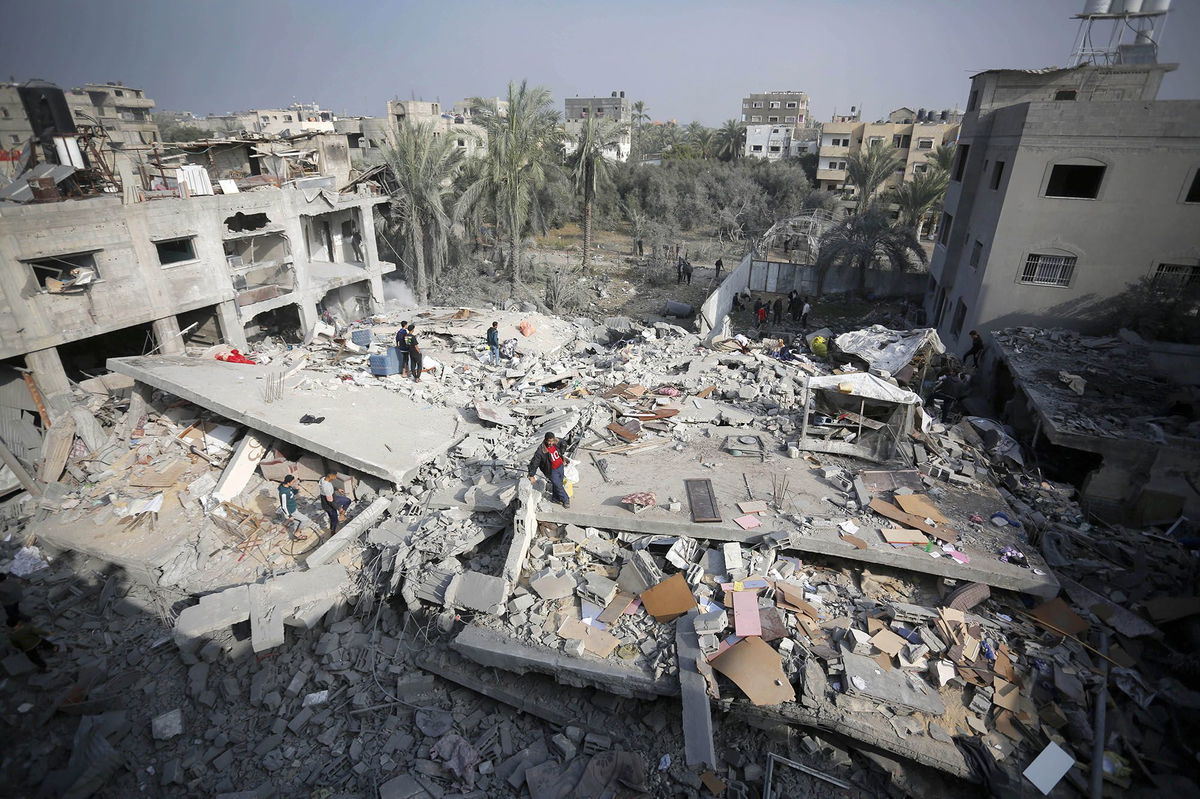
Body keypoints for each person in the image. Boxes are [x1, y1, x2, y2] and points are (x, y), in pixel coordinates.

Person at [528, 432, 570, 508]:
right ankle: (566, 500)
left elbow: (563, 443)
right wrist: (531, 475)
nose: (551, 443)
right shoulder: (541, 450)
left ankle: (555, 498)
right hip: (551, 471)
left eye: (552, 441)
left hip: (560, 467)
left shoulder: (556, 441)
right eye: (549, 441)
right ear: (545, 440)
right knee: (559, 486)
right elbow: (535, 463)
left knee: (558, 484)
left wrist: (562, 452)